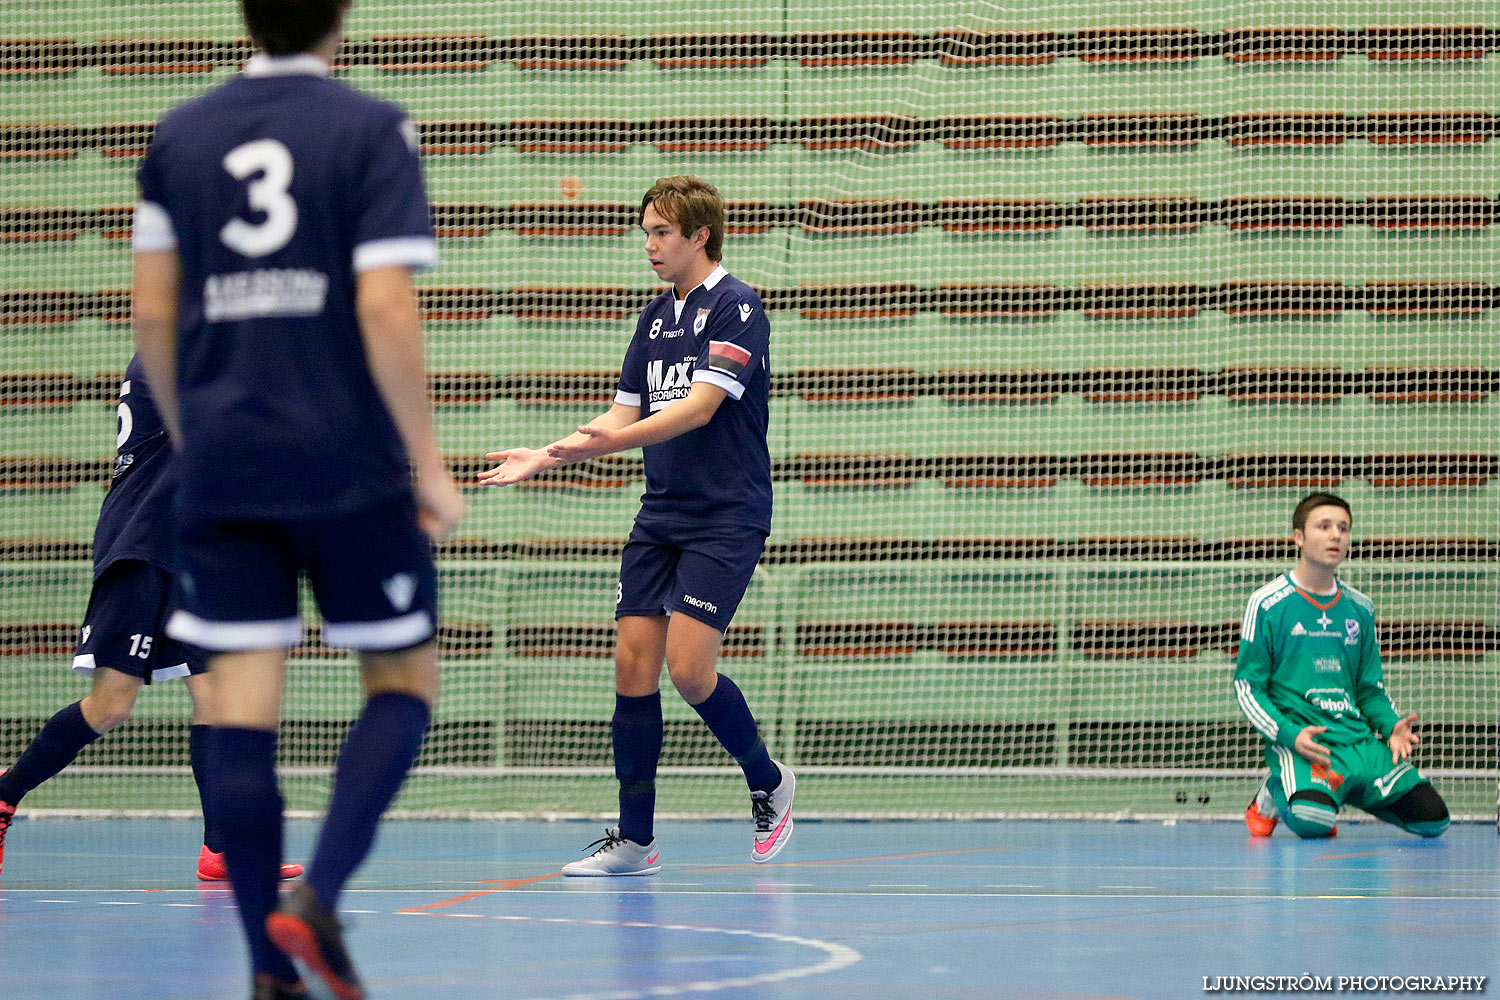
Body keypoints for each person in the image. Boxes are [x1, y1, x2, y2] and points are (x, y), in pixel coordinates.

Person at [131, 1, 464, 997]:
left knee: (238, 713)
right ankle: (317, 891)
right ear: (341, 15)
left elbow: (152, 310)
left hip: (226, 461)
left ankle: (267, 969)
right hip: (345, 460)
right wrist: (431, 463)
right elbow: (384, 306)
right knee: (403, 680)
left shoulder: (178, 132)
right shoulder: (370, 127)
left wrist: (200, 442)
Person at [480, 175, 795, 875]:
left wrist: (605, 445)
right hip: (661, 513)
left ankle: (768, 780)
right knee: (631, 667)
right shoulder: (653, 320)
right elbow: (623, 413)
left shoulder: (738, 308)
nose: (649, 244)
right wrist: (548, 452)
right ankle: (636, 837)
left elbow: (698, 409)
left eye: (661, 232)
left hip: (726, 515)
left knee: (688, 669)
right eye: (646, 232)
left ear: (698, 236)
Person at [0, 357, 301, 885]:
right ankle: (5, 795)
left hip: (192, 553)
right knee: (111, 705)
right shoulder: (167, 351)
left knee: (220, 702)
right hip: (144, 543)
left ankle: (220, 849)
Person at [1234, 492, 1449, 839]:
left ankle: (1344, 790)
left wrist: (1391, 725)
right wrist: (1288, 735)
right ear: (1299, 538)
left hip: (1358, 743)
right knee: (1312, 821)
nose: (1336, 535)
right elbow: (1247, 687)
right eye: (1324, 526)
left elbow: (1368, 688)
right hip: (1307, 743)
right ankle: (1275, 791)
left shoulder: (1360, 608)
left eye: (1344, 528)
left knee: (1433, 819)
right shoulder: (1267, 603)